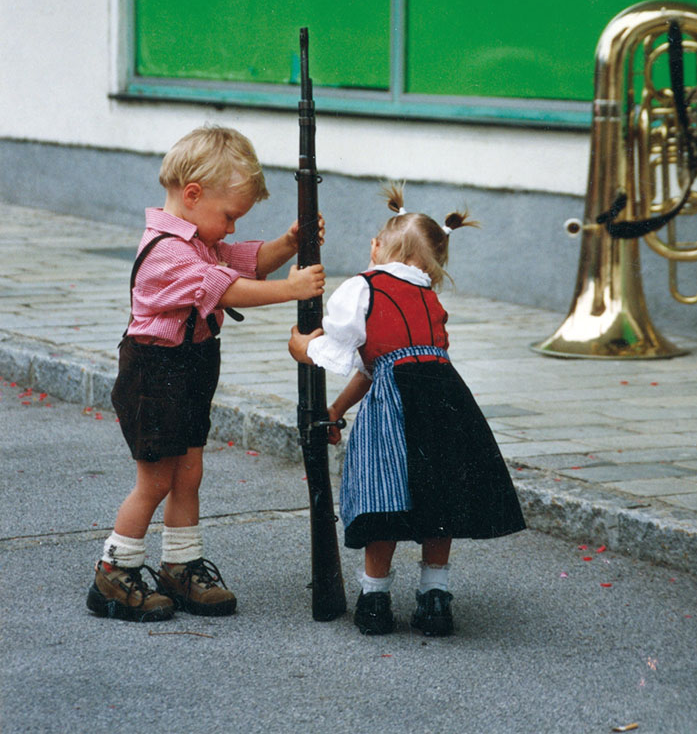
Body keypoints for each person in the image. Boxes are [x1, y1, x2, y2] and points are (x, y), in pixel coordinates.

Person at [87, 125, 325, 623]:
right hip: (153, 374)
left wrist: (288, 243)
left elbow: (247, 263)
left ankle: (180, 564)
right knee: (156, 480)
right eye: (230, 216)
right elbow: (230, 288)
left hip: (189, 367)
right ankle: (114, 569)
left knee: (189, 473)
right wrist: (292, 289)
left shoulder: (200, 240)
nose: (232, 229)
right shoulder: (168, 251)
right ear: (193, 195)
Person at [289, 184, 525, 637]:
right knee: (440, 496)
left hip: (394, 409)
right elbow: (380, 365)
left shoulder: (364, 286)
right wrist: (337, 409)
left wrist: (304, 348)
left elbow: (341, 353)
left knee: (384, 494)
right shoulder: (430, 298)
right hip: (447, 400)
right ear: (433, 263)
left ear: (378, 247)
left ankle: (375, 599)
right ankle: (435, 599)